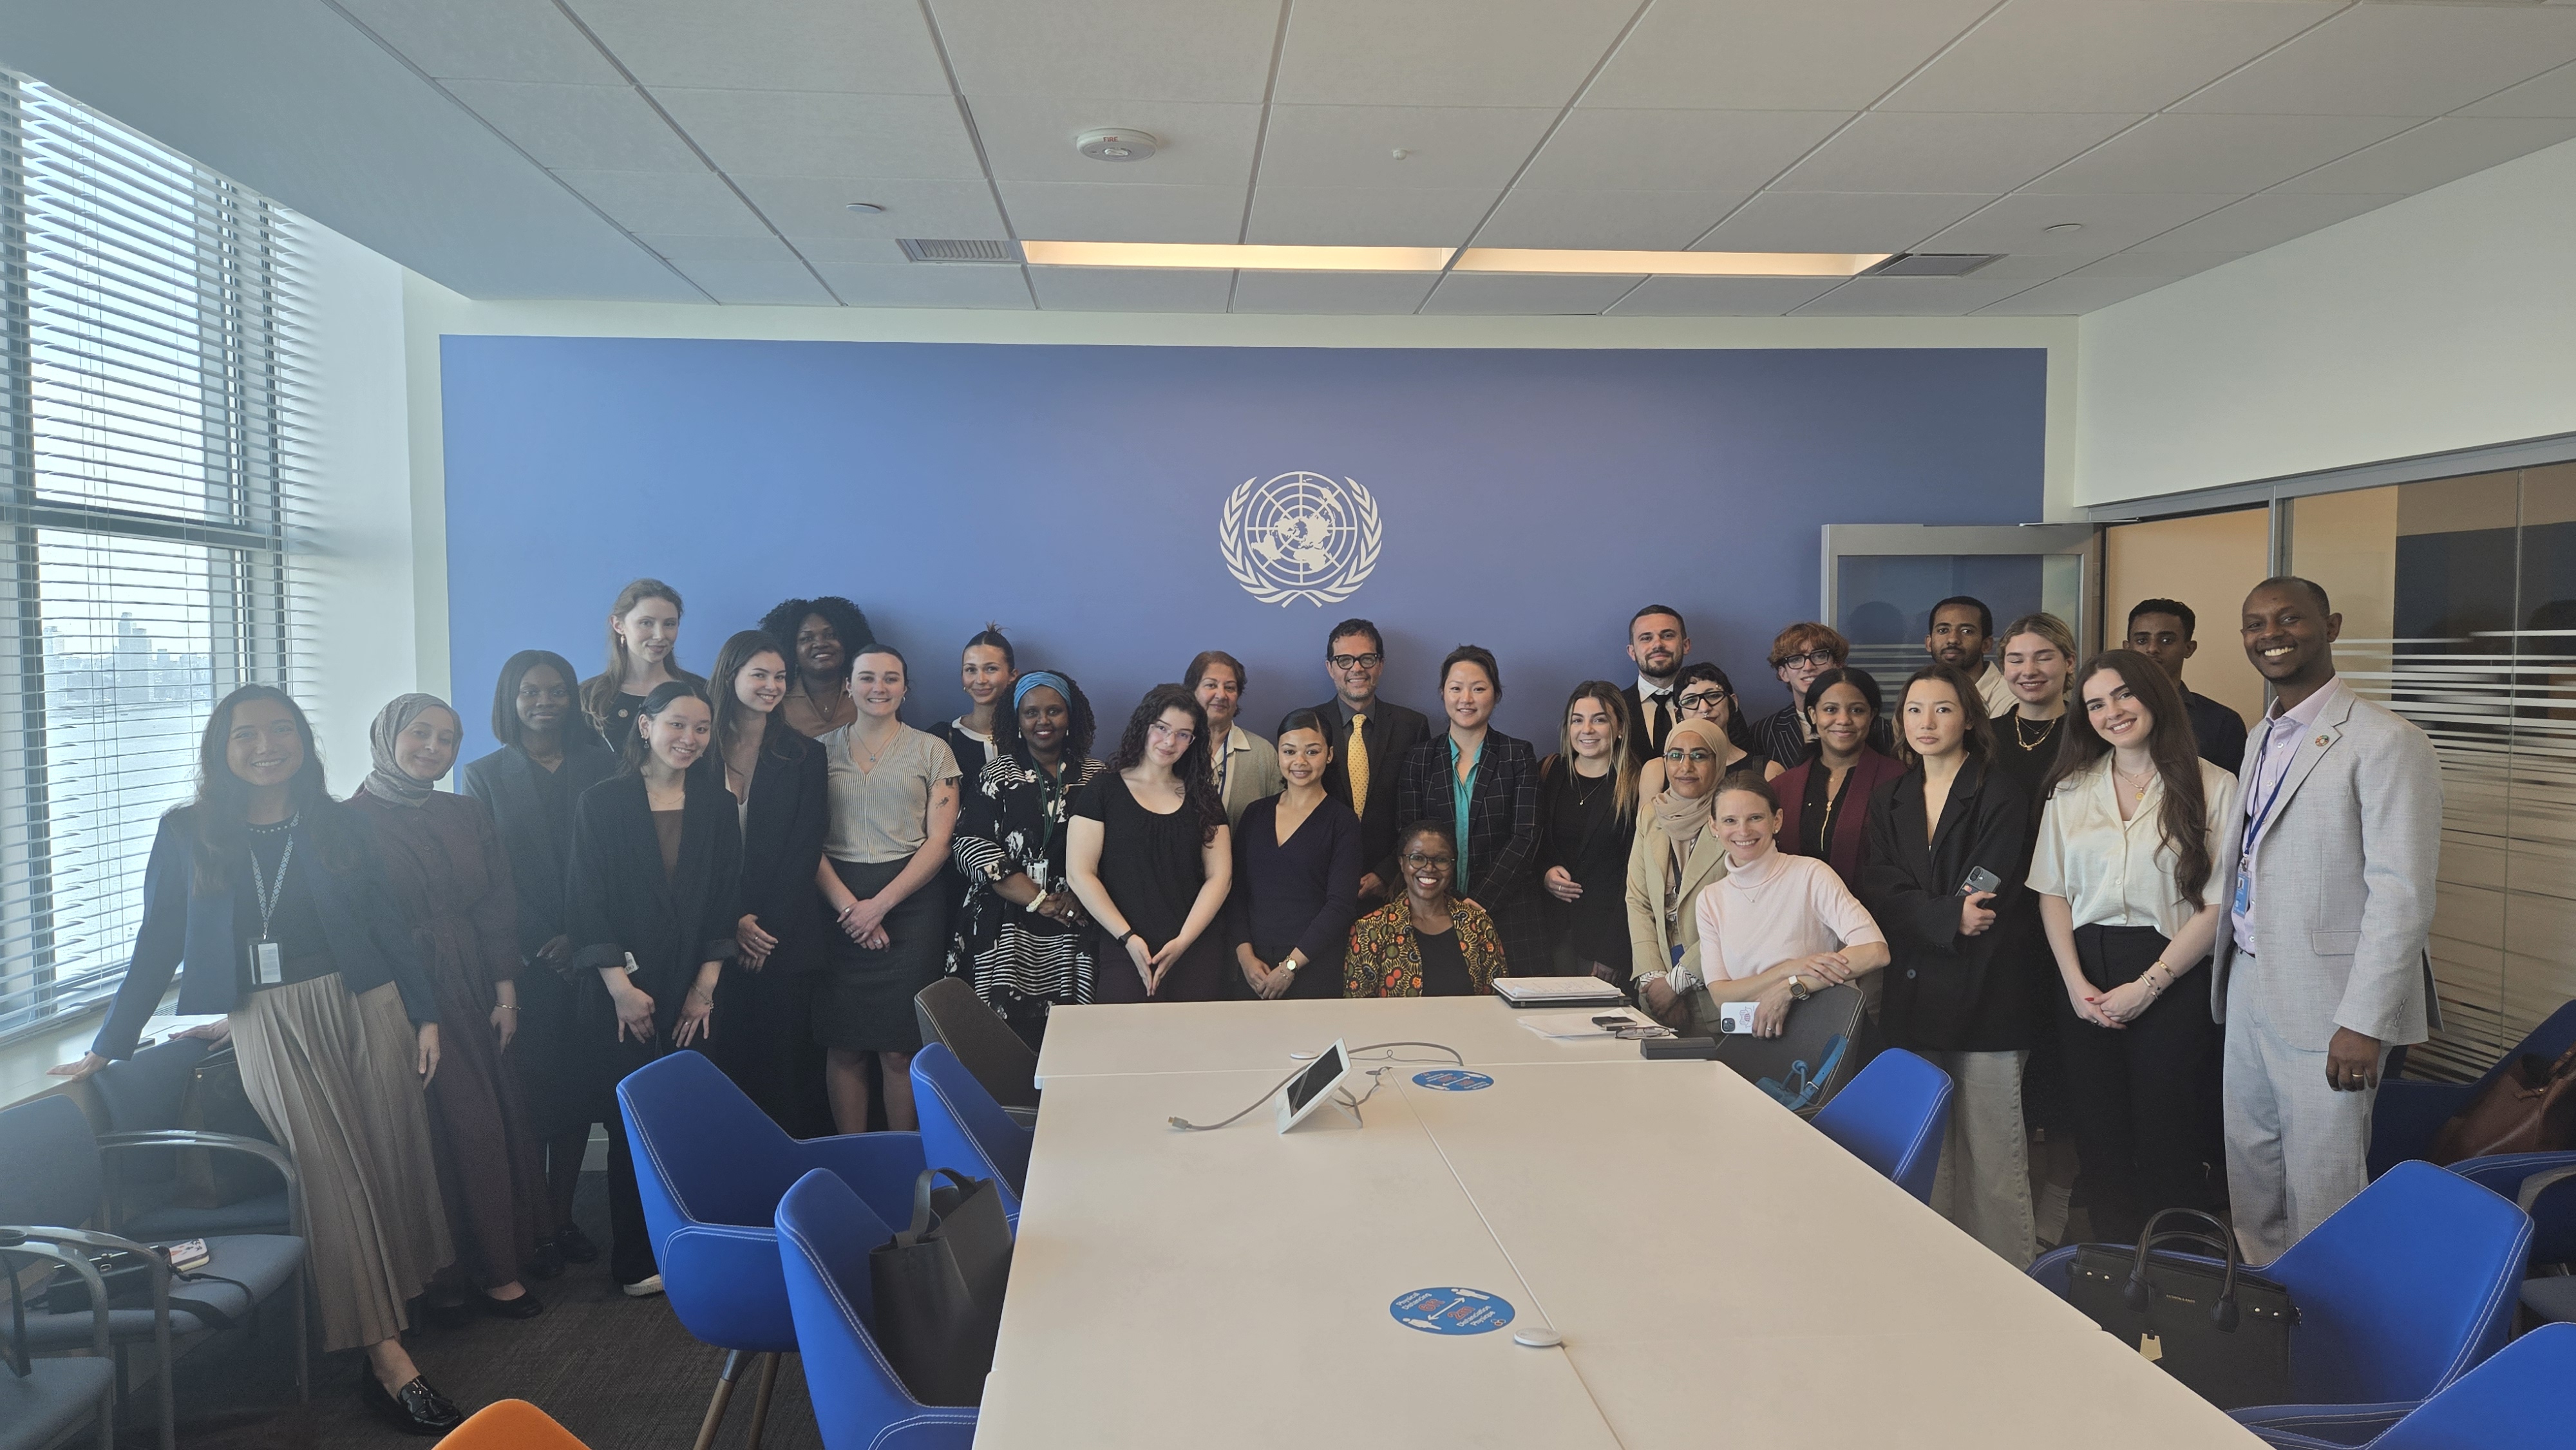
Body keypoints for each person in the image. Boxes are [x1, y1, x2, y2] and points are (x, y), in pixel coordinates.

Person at [55, 687, 460, 1434]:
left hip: (367, 1003)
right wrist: (109, 1044)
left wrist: (425, 1012)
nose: (267, 745)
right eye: (247, 734)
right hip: (269, 1017)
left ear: (303, 740)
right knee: (332, 1177)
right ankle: (387, 1358)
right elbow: (158, 940)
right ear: (221, 747)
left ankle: (391, 1312)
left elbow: (385, 921)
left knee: (389, 1162)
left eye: (281, 730)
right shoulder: (188, 830)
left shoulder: (337, 820)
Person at [2215, 576, 2441, 1263]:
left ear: (2331, 626)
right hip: (2251, 973)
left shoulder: (2385, 740)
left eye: (2289, 618)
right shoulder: (2263, 735)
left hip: (2332, 1000)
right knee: (2252, 1166)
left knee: (2323, 1178)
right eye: (2255, 623)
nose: (2270, 635)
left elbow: (2401, 893)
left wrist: (2365, 1020)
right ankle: (2266, 1302)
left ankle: (2327, 1314)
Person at [349, 694, 548, 1325]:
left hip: (471, 986)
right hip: (393, 992)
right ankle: (439, 1279)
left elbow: (497, 905)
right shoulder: (342, 822)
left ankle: (498, 1265)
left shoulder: (466, 812)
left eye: (448, 738)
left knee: (487, 1125)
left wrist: (506, 993)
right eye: (420, 733)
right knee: (427, 1137)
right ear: (387, 735)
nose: (434, 747)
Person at [2030, 650, 2239, 1246]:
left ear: (2153, 695)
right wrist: (2075, 984)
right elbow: (2051, 891)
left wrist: (2150, 985)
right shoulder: (2071, 788)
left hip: (2173, 968)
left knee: (2169, 1129)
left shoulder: (2214, 784)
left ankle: (2177, 1268)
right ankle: (2113, 1266)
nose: (2112, 712)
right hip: (2085, 969)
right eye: (2095, 703)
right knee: (2100, 1135)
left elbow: (2218, 905)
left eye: (2123, 694)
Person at [563, 680, 741, 1297]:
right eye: (677, 725)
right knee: (632, 1126)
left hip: (697, 986)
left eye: (701, 728)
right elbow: (585, 902)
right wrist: (620, 988)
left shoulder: (717, 805)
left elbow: (726, 899)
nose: (689, 738)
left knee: (694, 1120)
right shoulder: (601, 803)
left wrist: (705, 987)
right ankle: (638, 1258)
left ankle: (699, 1242)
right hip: (623, 990)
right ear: (646, 726)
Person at [1861, 664, 2038, 1266]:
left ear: (1968, 718)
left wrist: (1948, 913)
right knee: (1926, 1151)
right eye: (1915, 710)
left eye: (1942, 709)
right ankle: (1933, 1273)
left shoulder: (2001, 791)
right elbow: (1880, 886)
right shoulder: (1890, 796)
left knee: (1993, 1154)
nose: (1927, 722)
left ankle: (2010, 1282)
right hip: (1913, 994)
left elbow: (1988, 889)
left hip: (1989, 991)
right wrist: (1945, 916)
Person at [461, 650, 616, 1273]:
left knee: (578, 1091)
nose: (545, 702)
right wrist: (540, 939)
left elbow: (615, 859)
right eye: (530, 691)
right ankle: (532, 1222)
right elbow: (486, 874)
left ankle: (562, 1214)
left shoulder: (602, 762)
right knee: (533, 1093)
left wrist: (580, 936)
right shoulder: (483, 774)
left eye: (557, 691)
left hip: (592, 952)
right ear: (510, 699)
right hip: (523, 960)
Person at [813, 645, 960, 1135]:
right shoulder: (817, 752)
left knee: (900, 1049)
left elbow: (939, 843)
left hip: (911, 903)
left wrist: (879, 906)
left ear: (906, 688)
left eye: (891, 678)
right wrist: (851, 909)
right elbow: (806, 843)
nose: (879, 687)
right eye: (867, 677)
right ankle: (854, 1158)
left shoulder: (933, 751)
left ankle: (903, 1160)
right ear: (848, 686)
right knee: (845, 1045)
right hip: (836, 900)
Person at [1636, 773, 1889, 1036]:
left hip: (1820, 1036)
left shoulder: (1811, 874)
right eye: (1730, 821)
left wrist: (1791, 988)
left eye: (1755, 818)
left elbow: (1875, 951)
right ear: (1714, 826)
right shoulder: (1711, 899)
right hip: (1752, 1040)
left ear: (1777, 820)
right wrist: (1786, 970)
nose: (1743, 831)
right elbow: (1721, 995)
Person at [706, 630, 831, 1138]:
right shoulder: (698, 748)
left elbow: (805, 848)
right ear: (730, 676)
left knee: (785, 1074)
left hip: (783, 939)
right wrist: (732, 921)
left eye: (780, 677)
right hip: (711, 936)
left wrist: (765, 928)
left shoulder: (805, 754)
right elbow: (691, 855)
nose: (772, 686)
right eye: (759, 674)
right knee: (721, 1071)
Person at [947, 672, 1104, 1047]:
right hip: (1003, 921)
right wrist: (1038, 899)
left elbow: (1118, 850)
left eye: (1054, 711)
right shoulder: (996, 774)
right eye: (1031, 712)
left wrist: (1082, 893)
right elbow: (969, 844)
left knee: (1071, 1043)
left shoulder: (1097, 777)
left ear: (1071, 716)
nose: (1043, 721)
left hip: (1075, 917)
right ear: (1016, 720)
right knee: (999, 1046)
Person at [1067, 685, 1233, 1003]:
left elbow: (1220, 877)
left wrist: (1183, 941)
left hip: (1195, 949)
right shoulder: (1103, 790)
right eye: (1162, 728)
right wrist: (1128, 938)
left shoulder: (1203, 797)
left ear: (1193, 741)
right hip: (1124, 948)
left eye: (1183, 734)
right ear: (1144, 726)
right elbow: (1079, 873)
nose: (1170, 742)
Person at [1396, 645, 1544, 973]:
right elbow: (1408, 835)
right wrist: (1445, 901)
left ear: (1496, 694)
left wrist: (1480, 902)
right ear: (1442, 693)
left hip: (1508, 911)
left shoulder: (1517, 755)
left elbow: (1526, 836)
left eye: (1478, 689)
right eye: (1456, 688)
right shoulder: (1419, 758)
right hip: (1432, 911)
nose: (1466, 699)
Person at [1226, 708, 1361, 1001]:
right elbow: (1236, 892)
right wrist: (1245, 957)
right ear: (1278, 755)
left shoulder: (1343, 822)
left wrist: (1290, 967)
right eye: (1289, 751)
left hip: (1314, 966)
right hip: (1254, 969)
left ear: (1329, 755)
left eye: (1312, 752)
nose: (1300, 761)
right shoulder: (1255, 814)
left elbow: (1340, 906)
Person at [1305, 618, 1430, 907]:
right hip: (1321, 885)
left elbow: (1421, 813)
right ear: (1330, 668)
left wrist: (1387, 872)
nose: (1357, 668)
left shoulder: (1412, 727)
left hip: (1393, 890)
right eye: (1345, 660)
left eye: (1367, 659)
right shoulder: (1308, 725)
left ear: (1380, 664)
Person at [1537, 683, 1640, 982]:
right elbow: (1532, 842)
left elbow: (1638, 874)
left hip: (1605, 939)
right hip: (1550, 932)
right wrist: (1545, 873)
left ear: (1620, 728)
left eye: (1600, 719)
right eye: (1577, 720)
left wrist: (1614, 951)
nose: (1587, 730)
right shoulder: (1549, 771)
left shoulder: (1637, 783)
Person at [1625, 717, 1736, 995]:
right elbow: (1638, 900)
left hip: (1715, 984)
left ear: (1719, 760)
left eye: (1699, 756)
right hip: (1657, 978)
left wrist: (1676, 983)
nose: (1686, 767)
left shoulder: (1735, 819)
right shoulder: (1651, 815)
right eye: (1675, 756)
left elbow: (1739, 912)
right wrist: (1653, 979)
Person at [1773, 668, 1903, 893]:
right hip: (1796, 910)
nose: (1843, 720)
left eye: (1857, 710)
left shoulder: (1899, 781)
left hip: (1875, 911)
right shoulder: (1781, 787)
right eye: (1831, 710)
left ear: (1872, 715)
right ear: (1813, 714)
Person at [1345, 822, 1508, 997]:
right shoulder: (1371, 929)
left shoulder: (1478, 925)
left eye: (1441, 860)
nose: (1429, 868)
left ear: (1452, 866)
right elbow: (1358, 1008)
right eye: (1417, 858)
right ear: (1402, 863)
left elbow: (1497, 1001)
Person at [2127, 598, 2249, 773]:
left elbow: (2234, 789)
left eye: (2166, 640)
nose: (2152, 648)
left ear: (2189, 648)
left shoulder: (2222, 723)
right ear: (2127, 648)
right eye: (2142, 641)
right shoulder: (2106, 715)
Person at [580, 578, 706, 742]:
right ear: (618, 625)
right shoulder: (589, 697)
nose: (660, 635)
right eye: (646, 623)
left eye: (669, 624)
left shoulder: (700, 690)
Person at [1635, 662, 1781, 798]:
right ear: (1678, 714)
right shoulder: (1657, 771)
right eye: (1691, 700)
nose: (1704, 708)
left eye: (1713, 696)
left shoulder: (1767, 771)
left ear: (1733, 702)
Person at [1187, 648, 1285, 825]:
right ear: (1192, 691)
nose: (1221, 695)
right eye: (1211, 685)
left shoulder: (1263, 754)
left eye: (1230, 688)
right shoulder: (1175, 747)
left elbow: (1280, 819)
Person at [1990, 613, 2078, 807]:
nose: (2029, 671)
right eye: (2016, 661)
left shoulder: (2091, 734)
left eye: (2043, 658)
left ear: (2070, 663)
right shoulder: (1983, 737)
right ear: (2004, 668)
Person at [759, 596, 872, 739]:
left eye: (830, 635)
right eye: (807, 638)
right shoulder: (776, 700)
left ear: (848, 641)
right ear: (790, 649)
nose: (820, 644)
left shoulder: (870, 691)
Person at [1759, 623, 1855, 767]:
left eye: (1819, 656)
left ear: (1838, 665)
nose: (1808, 667)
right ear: (1783, 673)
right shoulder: (1763, 733)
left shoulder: (1876, 727)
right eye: (1795, 659)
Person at [933, 625, 1016, 778]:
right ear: (962, 676)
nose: (980, 680)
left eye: (991, 669)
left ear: (1012, 676)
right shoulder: (940, 738)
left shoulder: (1030, 736)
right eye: (971, 670)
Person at [1620, 605, 1691, 760]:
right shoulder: (1614, 707)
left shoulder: (1713, 703)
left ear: (1685, 645)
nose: (1658, 645)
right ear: (1632, 652)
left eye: (1667, 636)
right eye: (1646, 638)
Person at [1927, 595, 2016, 719]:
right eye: (1943, 630)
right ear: (1929, 643)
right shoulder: (1918, 695)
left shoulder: (2012, 700)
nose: (1953, 639)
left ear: (1986, 645)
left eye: (1967, 631)